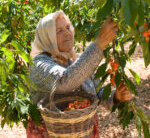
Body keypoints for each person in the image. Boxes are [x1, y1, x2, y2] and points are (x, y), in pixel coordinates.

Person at [26, 10, 132, 138]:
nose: (67, 33)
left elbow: (98, 92)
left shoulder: (75, 59)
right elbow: (64, 81)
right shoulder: (38, 64)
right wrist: (98, 44)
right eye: (59, 31)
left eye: (67, 27)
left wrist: (116, 96)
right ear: (47, 37)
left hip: (84, 131)